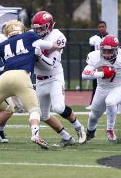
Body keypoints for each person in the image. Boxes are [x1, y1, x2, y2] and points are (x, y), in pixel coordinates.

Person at [0, 21, 60, 149]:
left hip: (4, 77)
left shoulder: (1, 45)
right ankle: (35, 134)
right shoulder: (29, 36)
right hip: (22, 76)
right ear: (21, 29)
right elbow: (51, 46)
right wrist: (57, 45)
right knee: (34, 109)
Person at [31, 11, 86, 146]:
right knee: (43, 115)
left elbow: (51, 65)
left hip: (54, 76)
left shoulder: (57, 36)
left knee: (58, 107)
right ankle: (67, 138)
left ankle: (79, 128)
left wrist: (39, 55)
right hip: (39, 79)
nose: (38, 31)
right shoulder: (32, 36)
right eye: (36, 28)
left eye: (41, 28)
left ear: (49, 26)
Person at [86, 21, 108, 110]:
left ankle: (107, 104)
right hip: (97, 63)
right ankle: (93, 103)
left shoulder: (109, 38)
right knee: (95, 84)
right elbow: (91, 52)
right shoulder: (94, 39)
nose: (101, 28)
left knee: (107, 84)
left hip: (107, 63)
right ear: (98, 28)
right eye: (100, 27)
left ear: (106, 27)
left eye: (103, 26)